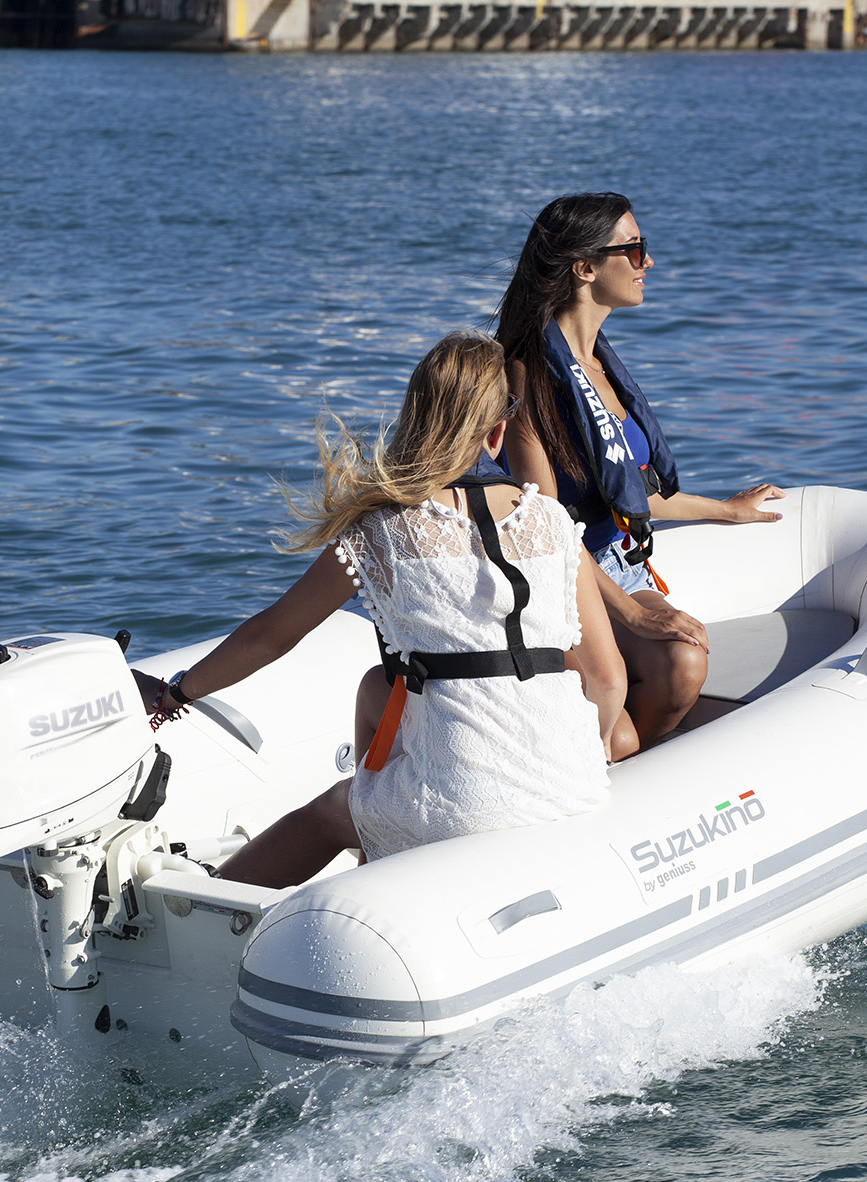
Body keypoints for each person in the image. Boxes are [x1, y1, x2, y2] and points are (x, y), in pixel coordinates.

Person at [148, 331, 624, 890]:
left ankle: (212, 910)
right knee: (380, 687)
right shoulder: (555, 523)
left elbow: (273, 634)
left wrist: (175, 694)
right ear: (497, 432)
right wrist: (564, 764)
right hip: (575, 782)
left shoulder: (384, 529)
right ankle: (383, 859)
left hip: (465, 798)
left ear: (416, 419)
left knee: (326, 816)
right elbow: (606, 679)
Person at [496, 192, 785, 750]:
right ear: (584, 268)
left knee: (684, 663)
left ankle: (622, 772)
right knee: (620, 735)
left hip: (615, 565)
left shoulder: (600, 368)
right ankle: (602, 767)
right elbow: (545, 531)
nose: (646, 262)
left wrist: (728, 511)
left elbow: (625, 494)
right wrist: (633, 615)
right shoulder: (530, 377)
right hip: (557, 582)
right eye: (633, 249)